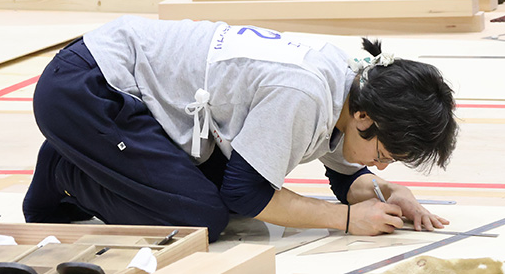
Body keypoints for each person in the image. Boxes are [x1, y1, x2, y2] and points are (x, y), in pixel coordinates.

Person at [23, 15, 458, 243]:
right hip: (89, 89)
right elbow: (247, 193)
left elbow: (343, 168)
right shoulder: (304, 94)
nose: (383, 164)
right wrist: (344, 220)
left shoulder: (349, 84)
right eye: (385, 155)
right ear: (366, 117)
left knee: (221, 203)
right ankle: (65, 173)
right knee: (201, 219)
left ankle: (83, 155)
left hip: (122, 88)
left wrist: (383, 192)